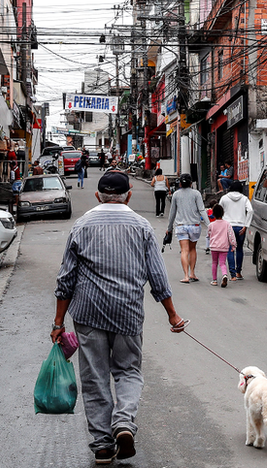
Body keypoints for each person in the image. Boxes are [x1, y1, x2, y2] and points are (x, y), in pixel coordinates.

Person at [51, 171, 188, 465]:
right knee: (128, 371)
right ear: (128, 195)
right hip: (127, 312)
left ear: (98, 196)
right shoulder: (142, 226)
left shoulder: (82, 225)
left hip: (88, 314)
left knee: (94, 376)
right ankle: (123, 422)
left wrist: (58, 323)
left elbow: (66, 279)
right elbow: (158, 276)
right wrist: (173, 315)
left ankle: (102, 445)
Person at [166, 174, 207, 283]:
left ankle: (186, 276)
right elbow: (202, 210)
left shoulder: (176, 195)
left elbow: (172, 213)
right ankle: (192, 273)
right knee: (192, 249)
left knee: (184, 250)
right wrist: (209, 225)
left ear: (180, 183)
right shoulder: (196, 194)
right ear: (191, 183)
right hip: (195, 226)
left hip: (181, 226)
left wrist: (169, 228)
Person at [219, 180, 253, 280]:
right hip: (241, 227)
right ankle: (238, 272)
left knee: (230, 249)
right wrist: (246, 225)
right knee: (239, 249)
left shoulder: (224, 198)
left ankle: (232, 275)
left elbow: (219, 210)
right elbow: (250, 211)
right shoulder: (244, 199)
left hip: (228, 226)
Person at [206, 204, 236, 287]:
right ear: (223, 213)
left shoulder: (211, 225)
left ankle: (214, 280)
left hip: (214, 247)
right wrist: (233, 245)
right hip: (224, 247)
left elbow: (208, 235)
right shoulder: (227, 224)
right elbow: (231, 235)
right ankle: (225, 275)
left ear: (214, 214)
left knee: (214, 262)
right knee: (222, 263)